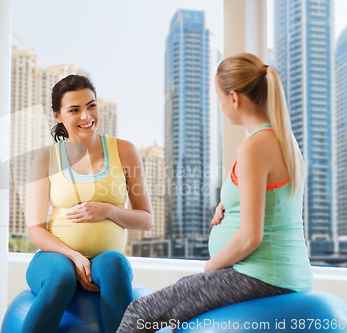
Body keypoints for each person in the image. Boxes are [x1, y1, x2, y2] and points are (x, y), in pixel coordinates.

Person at [116, 53, 313, 333]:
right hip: (284, 272)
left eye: (219, 97)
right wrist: (228, 203)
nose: (220, 105)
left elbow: (250, 237)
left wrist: (211, 267)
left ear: (234, 98)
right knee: (180, 298)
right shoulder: (284, 140)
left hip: (260, 275)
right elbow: (273, 201)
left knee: (139, 313)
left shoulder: (254, 147)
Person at [23, 74, 154, 333]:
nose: (86, 116)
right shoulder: (45, 158)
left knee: (114, 264)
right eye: (74, 110)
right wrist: (74, 257)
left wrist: (108, 210)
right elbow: (35, 230)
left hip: (105, 257)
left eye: (91, 105)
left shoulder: (125, 151)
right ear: (58, 115)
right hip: (55, 257)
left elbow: (146, 219)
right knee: (62, 278)